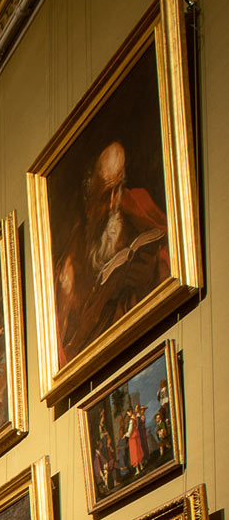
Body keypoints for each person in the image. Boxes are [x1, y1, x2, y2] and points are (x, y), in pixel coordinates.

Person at [53, 140, 169, 363]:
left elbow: (176, 259)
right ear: (89, 195)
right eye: (106, 194)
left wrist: (152, 272)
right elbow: (63, 353)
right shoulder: (70, 261)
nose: (112, 204)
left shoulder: (137, 206)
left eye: (118, 189)